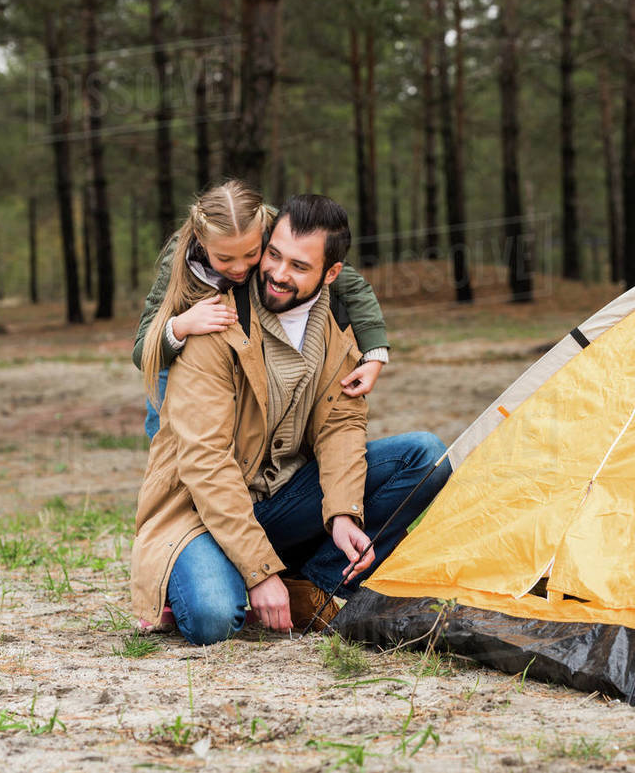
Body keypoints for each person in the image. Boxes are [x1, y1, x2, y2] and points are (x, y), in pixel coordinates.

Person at [130, 195, 449, 643]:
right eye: (274, 256)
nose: (277, 273)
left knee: (426, 456)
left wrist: (342, 512)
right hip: (204, 509)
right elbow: (204, 462)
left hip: (282, 496)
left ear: (330, 274)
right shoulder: (211, 319)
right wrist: (259, 574)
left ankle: (311, 583)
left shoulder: (338, 324)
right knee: (213, 619)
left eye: (299, 266)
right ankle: (220, 572)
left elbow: (340, 426)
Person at [132, 179, 389, 439]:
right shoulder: (179, 257)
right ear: (201, 240)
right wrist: (181, 325)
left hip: (249, 349)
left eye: (252, 253)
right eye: (224, 258)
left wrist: (375, 353)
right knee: (170, 440)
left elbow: (353, 287)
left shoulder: (276, 227)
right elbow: (143, 352)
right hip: (183, 361)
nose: (239, 268)